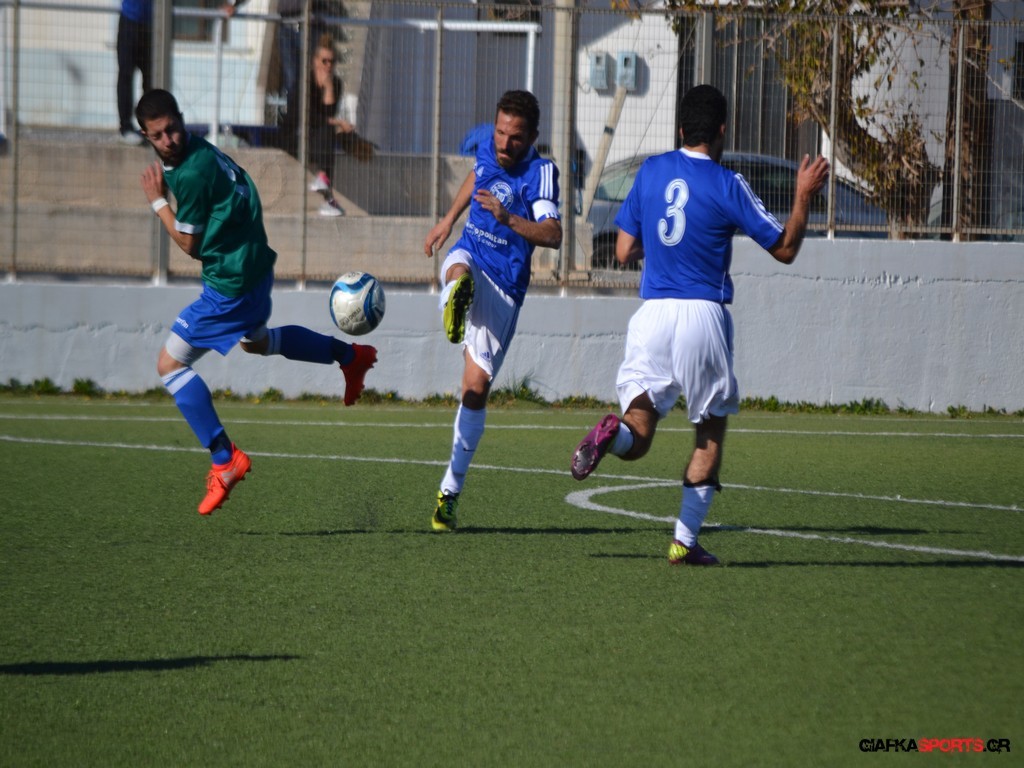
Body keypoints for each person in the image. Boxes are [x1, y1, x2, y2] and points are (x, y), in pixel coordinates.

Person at [569, 84, 829, 565]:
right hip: (701, 316)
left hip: (651, 316)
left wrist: (664, 244)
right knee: (709, 432)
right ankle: (684, 542)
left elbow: (623, 251)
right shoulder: (728, 183)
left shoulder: (650, 171)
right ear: (722, 130)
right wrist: (802, 195)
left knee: (638, 431)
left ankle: (612, 434)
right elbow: (785, 248)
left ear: (681, 129)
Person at [135, 89, 377, 516]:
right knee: (258, 343)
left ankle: (223, 458)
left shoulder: (189, 172)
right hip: (253, 265)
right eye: (158, 135)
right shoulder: (200, 151)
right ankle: (350, 356)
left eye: (172, 129)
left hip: (229, 285)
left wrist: (157, 202)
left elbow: (189, 245)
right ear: (146, 136)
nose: (169, 140)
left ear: (181, 119)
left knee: (169, 366)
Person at [423, 90, 562, 531]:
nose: (504, 143)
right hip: (472, 255)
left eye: (515, 137)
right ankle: (455, 296)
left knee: (475, 389)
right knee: (459, 268)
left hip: (504, 286)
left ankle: (449, 492)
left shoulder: (541, 174)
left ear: (532, 137)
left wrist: (508, 219)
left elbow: (553, 233)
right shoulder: (489, 146)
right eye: (500, 132)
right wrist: (448, 219)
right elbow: (476, 174)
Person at [305, 33, 355, 217]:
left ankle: (324, 183)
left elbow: (328, 114)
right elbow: (308, 117)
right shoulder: (306, 81)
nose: (328, 66)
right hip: (297, 133)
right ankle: (328, 197)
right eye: (324, 61)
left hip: (320, 135)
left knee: (329, 132)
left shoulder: (335, 84)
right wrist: (338, 122)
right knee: (327, 130)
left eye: (332, 62)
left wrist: (328, 88)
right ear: (315, 61)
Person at [116, 0, 152, 145]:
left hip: (154, 22)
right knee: (126, 75)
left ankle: (150, 125)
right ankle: (126, 128)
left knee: (150, 78)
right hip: (129, 20)